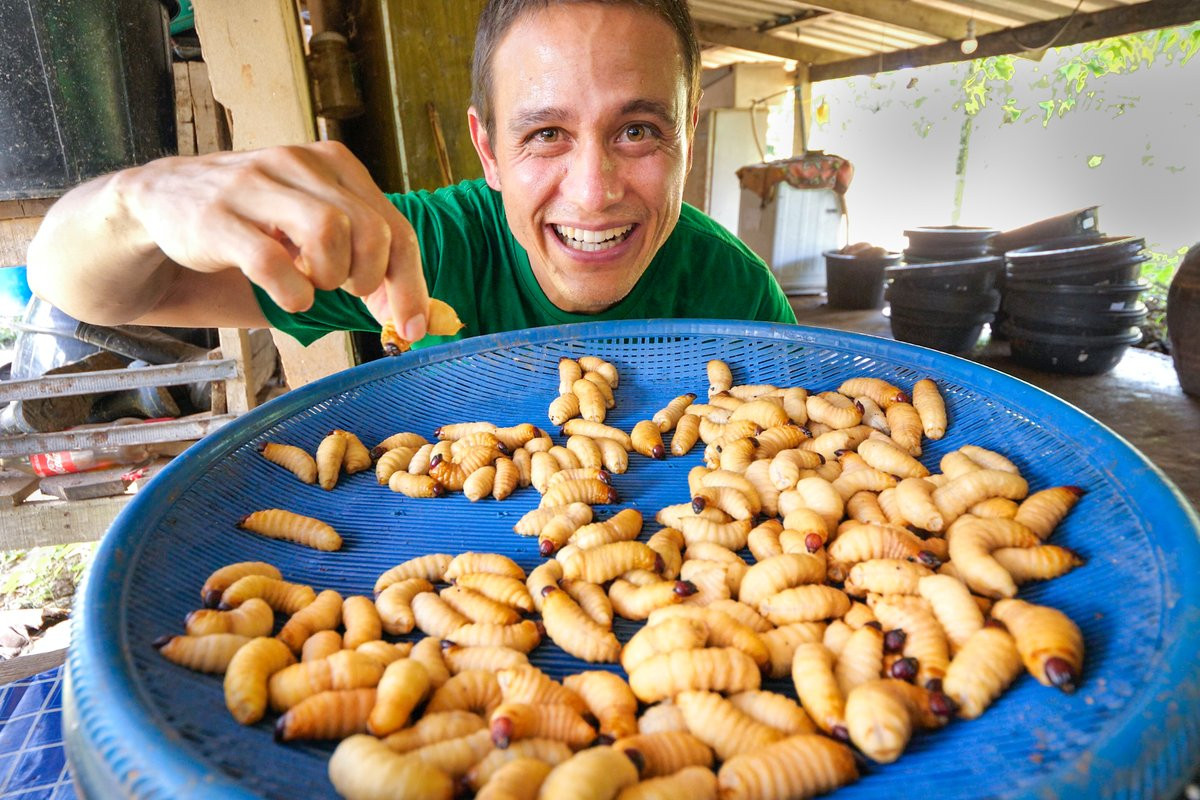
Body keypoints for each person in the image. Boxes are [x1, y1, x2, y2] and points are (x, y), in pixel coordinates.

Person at [26, 0, 796, 352]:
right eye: (545, 134)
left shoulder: (739, 297)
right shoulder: (413, 253)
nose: (593, 191)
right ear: (487, 150)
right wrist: (137, 199)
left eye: (638, 131)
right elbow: (92, 290)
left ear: (687, 139)